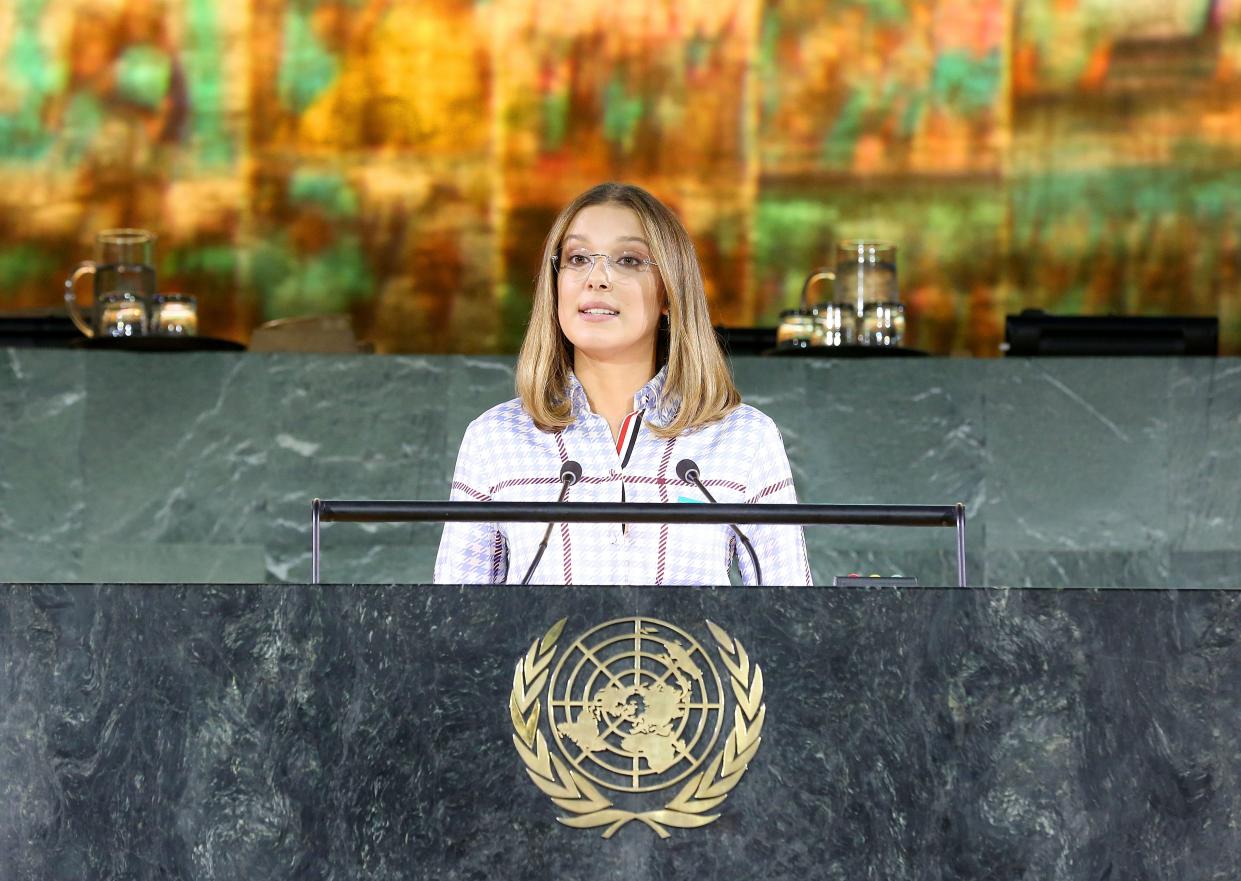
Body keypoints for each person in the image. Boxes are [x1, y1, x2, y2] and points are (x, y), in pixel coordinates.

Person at [434, 182, 811, 586]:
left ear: (670, 292)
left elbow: (789, 627)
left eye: (629, 260)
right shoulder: (495, 439)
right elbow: (455, 631)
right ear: (555, 283)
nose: (596, 278)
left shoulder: (744, 438)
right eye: (578, 258)